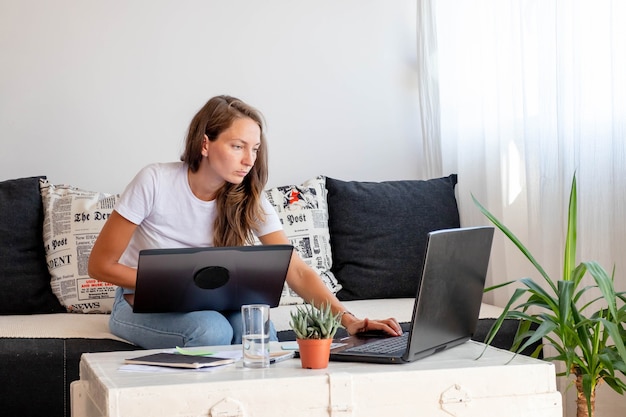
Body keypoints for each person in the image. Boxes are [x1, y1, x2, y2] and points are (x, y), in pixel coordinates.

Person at [88, 95, 402, 349]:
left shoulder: (249, 195)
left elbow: (294, 269)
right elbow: (100, 265)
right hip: (136, 305)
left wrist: (349, 321)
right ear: (205, 143)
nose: (249, 160)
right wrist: (180, 283)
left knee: (254, 326)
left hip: (210, 303)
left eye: (254, 149)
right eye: (238, 146)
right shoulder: (155, 181)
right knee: (211, 331)